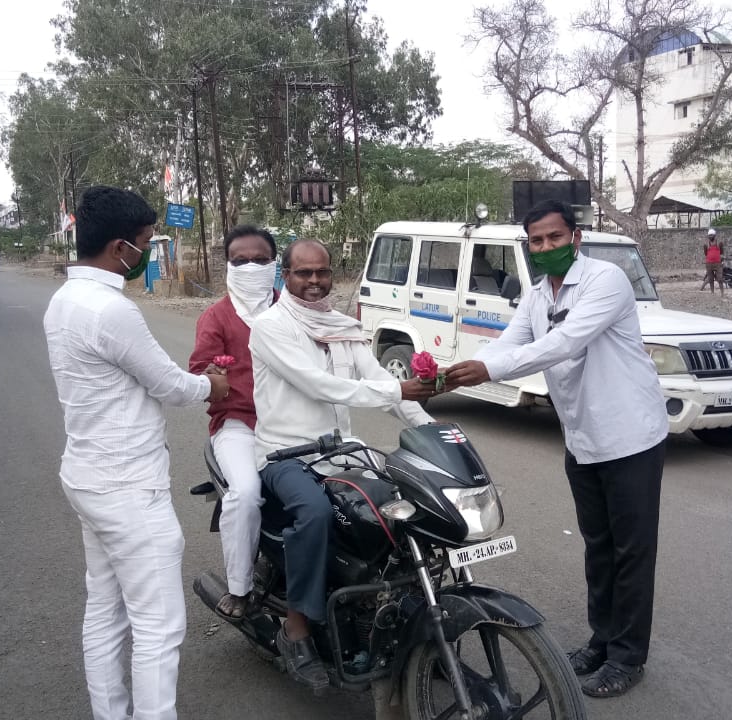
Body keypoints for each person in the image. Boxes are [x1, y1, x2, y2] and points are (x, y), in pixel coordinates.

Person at [445, 199, 668, 699]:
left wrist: (491, 370)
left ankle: (628, 658)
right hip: (583, 438)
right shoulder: (537, 295)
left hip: (630, 437)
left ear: (576, 238)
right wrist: (458, 369)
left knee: (632, 551)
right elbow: (509, 342)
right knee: (598, 546)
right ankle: (602, 639)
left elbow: (566, 342)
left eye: (554, 238)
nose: (545, 248)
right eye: (537, 241)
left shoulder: (605, 281)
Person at [43, 186, 230, 720]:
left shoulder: (64, 301)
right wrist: (212, 386)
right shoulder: (110, 310)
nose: (148, 250)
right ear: (120, 246)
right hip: (127, 488)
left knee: (105, 611)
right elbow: (169, 385)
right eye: (146, 241)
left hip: (88, 477)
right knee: (159, 628)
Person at [249, 239, 437, 690]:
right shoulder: (270, 326)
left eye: (322, 273)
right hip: (284, 452)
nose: (314, 282)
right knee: (314, 513)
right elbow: (319, 386)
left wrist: (432, 431)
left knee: (404, 506)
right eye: (303, 274)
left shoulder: (342, 327)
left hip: (340, 450)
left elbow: (377, 382)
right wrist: (398, 391)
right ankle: (296, 629)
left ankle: (401, 611)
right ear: (285, 276)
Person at [188, 225, 279, 621]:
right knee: (244, 494)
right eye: (240, 261)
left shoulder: (291, 307)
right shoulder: (217, 317)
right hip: (238, 424)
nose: (250, 267)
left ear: (275, 263)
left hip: (293, 423)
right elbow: (198, 375)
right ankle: (240, 588)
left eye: (260, 260)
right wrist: (212, 379)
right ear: (228, 265)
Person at [700, 228, 724, 296]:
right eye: (709, 235)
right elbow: (705, 253)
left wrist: (720, 259)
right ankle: (712, 292)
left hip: (717, 263)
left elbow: (722, 252)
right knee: (710, 279)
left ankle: (722, 293)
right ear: (708, 236)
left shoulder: (719, 243)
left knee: (720, 278)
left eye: (712, 235)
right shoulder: (706, 244)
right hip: (709, 264)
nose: (710, 237)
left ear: (715, 235)